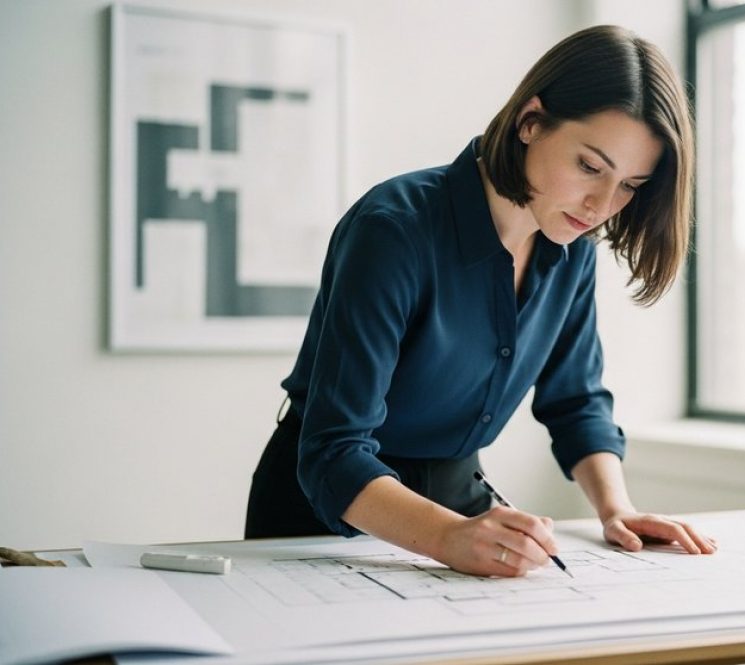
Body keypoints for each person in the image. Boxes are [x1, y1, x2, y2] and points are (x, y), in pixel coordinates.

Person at [245, 24, 715, 577]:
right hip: (328, 509)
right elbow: (334, 452)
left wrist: (618, 510)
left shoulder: (572, 252)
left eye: (630, 185)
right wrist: (447, 537)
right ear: (530, 122)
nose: (602, 205)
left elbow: (576, 402)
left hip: (459, 507)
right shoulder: (393, 230)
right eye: (590, 167)